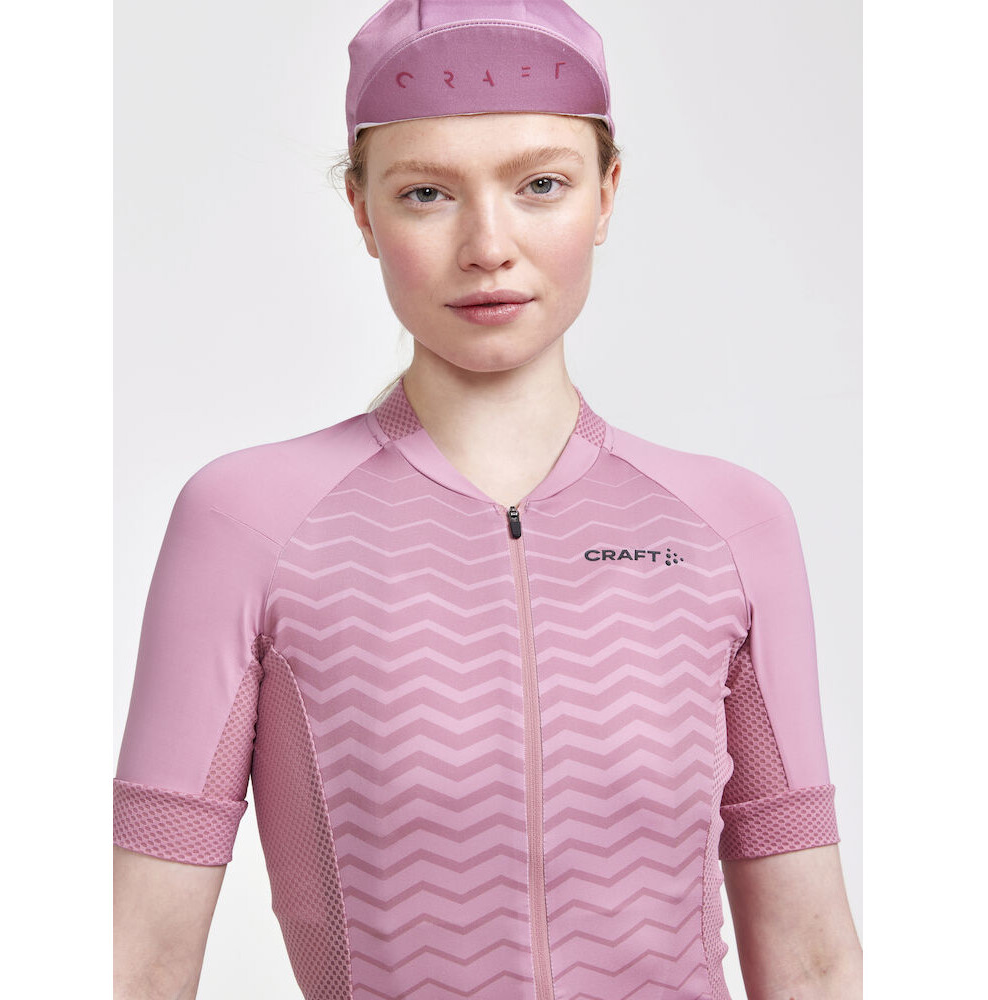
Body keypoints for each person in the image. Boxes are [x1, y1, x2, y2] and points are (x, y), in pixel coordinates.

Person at [113, 1, 862, 997]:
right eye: (426, 193)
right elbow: (137, 961)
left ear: (606, 195)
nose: (488, 245)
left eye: (541, 184)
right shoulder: (249, 523)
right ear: (363, 213)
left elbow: (811, 960)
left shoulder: (730, 528)